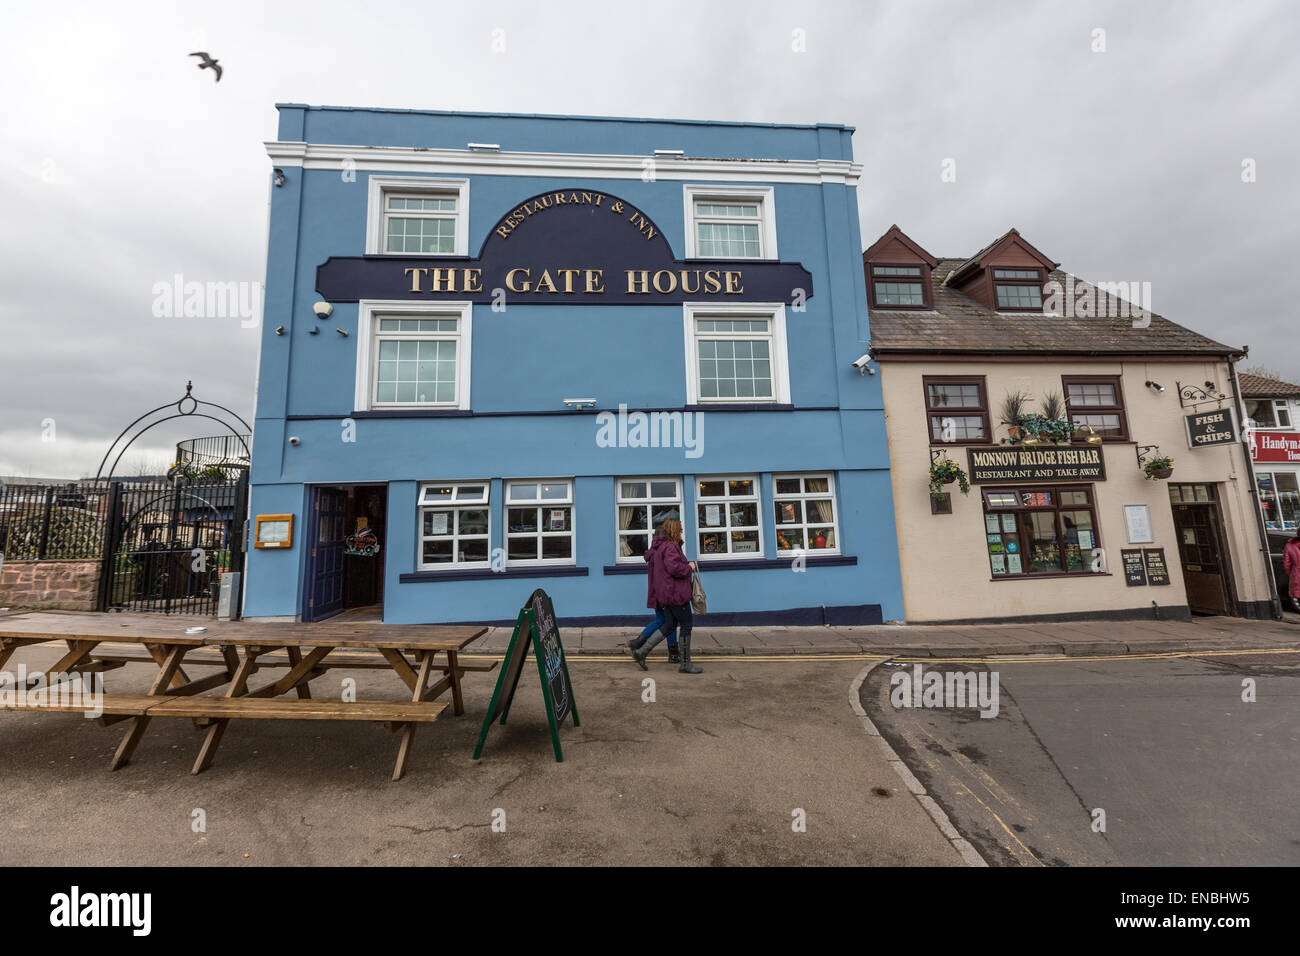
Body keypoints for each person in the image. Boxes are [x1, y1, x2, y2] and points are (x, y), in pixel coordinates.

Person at [634, 517, 702, 674]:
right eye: (680, 529)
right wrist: (689, 567)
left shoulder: (663, 547)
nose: (682, 531)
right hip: (676, 595)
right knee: (686, 625)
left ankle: (641, 651)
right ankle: (685, 664)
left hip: (668, 595)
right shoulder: (670, 548)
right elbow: (675, 569)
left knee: (669, 625)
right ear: (674, 530)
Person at [1283, 533, 1300, 612]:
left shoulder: (1289, 546)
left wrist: (1292, 573)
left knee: (1297, 594)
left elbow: (1287, 564)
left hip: (1296, 573)